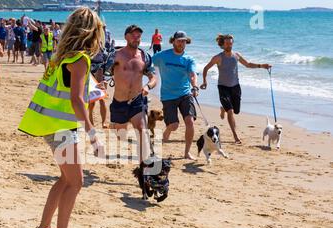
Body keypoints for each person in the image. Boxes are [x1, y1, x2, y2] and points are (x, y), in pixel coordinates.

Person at [18, 7, 105, 228]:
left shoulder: (61, 57)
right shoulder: (80, 59)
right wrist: (92, 134)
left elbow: (69, 94)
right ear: (91, 32)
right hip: (61, 128)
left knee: (66, 179)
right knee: (76, 182)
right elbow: (77, 100)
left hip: (50, 125)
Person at [201, 34, 272, 144]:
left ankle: (223, 108)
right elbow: (206, 68)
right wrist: (205, 81)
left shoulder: (236, 55)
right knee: (230, 112)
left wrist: (262, 65)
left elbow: (248, 64)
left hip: (235, 87)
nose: (230, 45)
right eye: (227, 43)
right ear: (223, 45)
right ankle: (235, 136)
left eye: (231, 43)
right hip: (223, 87)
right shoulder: (218, 57)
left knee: (236, 111)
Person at [106, 25, 157, 164]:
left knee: (142, 131)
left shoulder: (144, 57)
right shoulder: (116, 55)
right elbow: (104, 72)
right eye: (133, 35)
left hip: (137, 101)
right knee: (121, 135)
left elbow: (153, 78)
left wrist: (148, 86)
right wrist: (101, 84)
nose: (136, 38)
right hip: (119, 102)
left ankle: (143, 168)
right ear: (126, 37)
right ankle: (116, 125)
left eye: (138, 36)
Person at [152, 31, 199, 160]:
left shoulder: (189, 59)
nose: (181, 43)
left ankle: (187, 152)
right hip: (168, 96)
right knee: (174, 126)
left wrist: (194, 86)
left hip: (185, 93)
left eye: (183, 41)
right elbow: (147, 63)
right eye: (179, 40)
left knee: (190, 122)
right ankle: (167, 130)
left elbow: (193, 74)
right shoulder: (162, 56)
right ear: (173, 41)